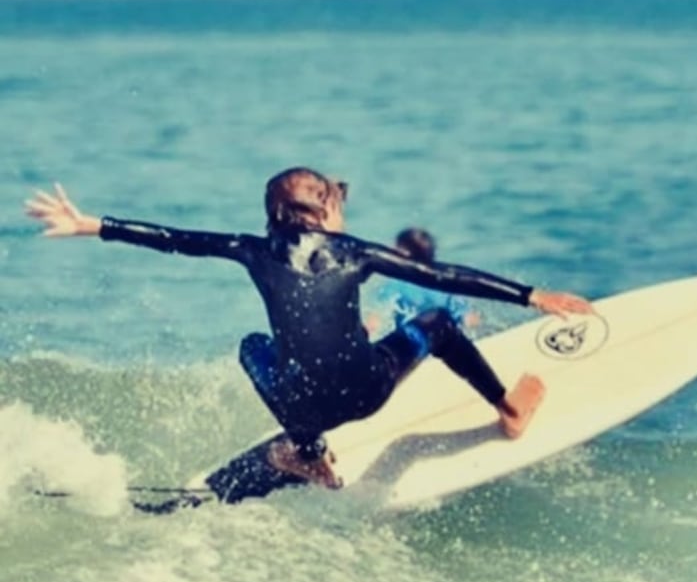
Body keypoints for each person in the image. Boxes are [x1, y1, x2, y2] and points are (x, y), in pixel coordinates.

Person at [25, 169, 593, 492]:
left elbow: (176, 238)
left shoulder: (251, 250)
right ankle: (509, 409)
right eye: (338, 204)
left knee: (253, 348)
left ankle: (306, 452)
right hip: (368, 391)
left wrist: (91, 225)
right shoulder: (352, 252)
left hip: (304, 407)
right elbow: (442, 275)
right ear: (323, 214)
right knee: (438, 322)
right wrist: (530, 295)